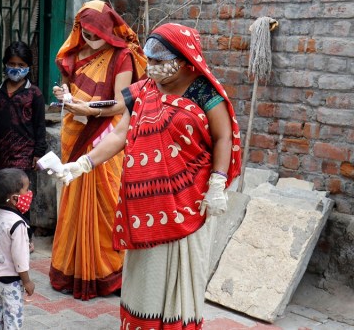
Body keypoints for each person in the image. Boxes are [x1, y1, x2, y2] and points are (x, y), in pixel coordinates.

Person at [53, 23, 242, 329]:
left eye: (158, 61)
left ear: (183, 59)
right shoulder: (144, 91)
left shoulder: (204, 92)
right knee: (144, 275)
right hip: (143, 203)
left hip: (187, 201)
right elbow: (119, 135)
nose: (150, 67)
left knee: (179, 276)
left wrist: (218, 183)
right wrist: (84, 163)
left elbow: (224, 138)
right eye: (149, 61)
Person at [48, 0, 146, 300]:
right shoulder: (75, 54)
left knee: (106, 203)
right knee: (73, 201)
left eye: (96, 32)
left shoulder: (122, 57)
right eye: (85, 32)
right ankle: (72, 269)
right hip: (75, 132)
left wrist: (88, 108)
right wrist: (64, 95)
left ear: (108, 29)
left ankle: (107, 274)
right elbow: (71, 89)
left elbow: (121, 103)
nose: (90, 38)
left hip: (107, 135)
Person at [0, 41, 48, 250]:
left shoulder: (35, 94)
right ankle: (1, 234)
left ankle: (26, 238)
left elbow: (40, 126)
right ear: (4, 64)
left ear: (28, 67)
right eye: (11, 63)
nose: (15, 68)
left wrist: (38, 153)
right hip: (2, 154)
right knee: (1, 195)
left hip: (25, 154)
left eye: (21, 64)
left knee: (21, 197)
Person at [0, 168, 35, 330]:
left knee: (0, 312)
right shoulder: (18, 224)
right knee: (14, 317)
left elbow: (0, 243)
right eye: (26, 189)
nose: (29, 193)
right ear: (15, 199)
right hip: (12, 280)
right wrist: (27, 281)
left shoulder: (0, 216)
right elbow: (20, 259)